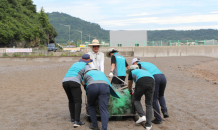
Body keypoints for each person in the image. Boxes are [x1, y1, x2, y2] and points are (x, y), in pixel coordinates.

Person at [132, 58, 169, 124]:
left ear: (135, 63)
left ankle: (158, 118)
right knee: (161, 95)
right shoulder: (147, 63)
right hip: (162, 76)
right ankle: (164, 111)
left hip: (154, 77)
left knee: (154, 99)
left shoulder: (139, 65)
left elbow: (140, 78)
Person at [62, 54, 93, 128]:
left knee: (71, 100)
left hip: (65, 82)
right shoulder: (86, 66)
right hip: (74, 82)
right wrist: (87, 88)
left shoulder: (75, 64)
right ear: (88, 61)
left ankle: (72, 118)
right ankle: (77, 121)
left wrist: (83, 85)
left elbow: (80, 78)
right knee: (78, 101)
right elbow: (86, 78)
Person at [127, 65, 155, 130]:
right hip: (152, 82)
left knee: (136, 99)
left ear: (131, 70)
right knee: (149, 104)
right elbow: (147, 81)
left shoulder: (131, 72)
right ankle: (148, 125)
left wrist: (130, 90)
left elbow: (129, 83)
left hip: (141, 82)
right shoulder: (143, 71)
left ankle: (142, 115)